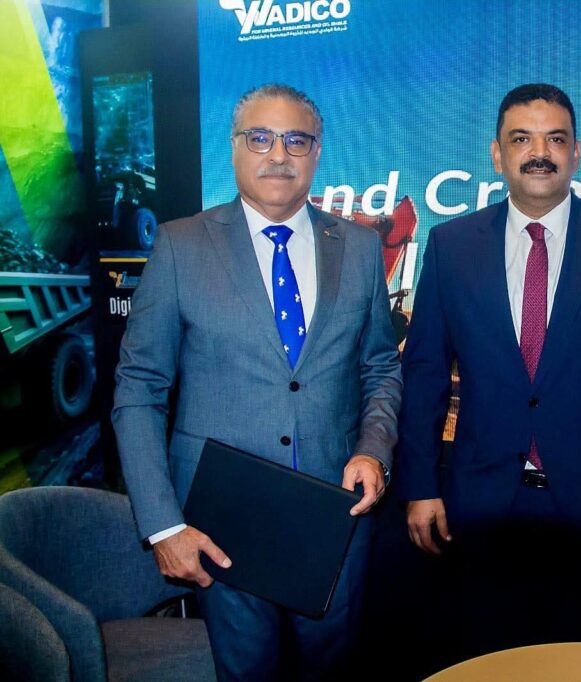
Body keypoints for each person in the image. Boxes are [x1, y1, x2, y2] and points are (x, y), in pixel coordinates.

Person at [112, 83, 402, 681]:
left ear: (317, 151)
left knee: (335, 670)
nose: (278, 155)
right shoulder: (180, 245)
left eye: (296, 140)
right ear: (235, 147)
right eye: (261, 138)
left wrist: (374, 450)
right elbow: (138, 389)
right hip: (221, 521)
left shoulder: (359, 248)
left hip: (334, 515)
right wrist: (163, 525)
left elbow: (380, 366)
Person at [396, 83, 581, 655]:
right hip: (480, 504)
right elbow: (425, 374)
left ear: (577, 153)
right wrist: (421, 485)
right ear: (496, 154)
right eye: (521, 139)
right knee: (487, 659)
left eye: (555, 139)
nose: (539, 153)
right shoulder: (451, 245)